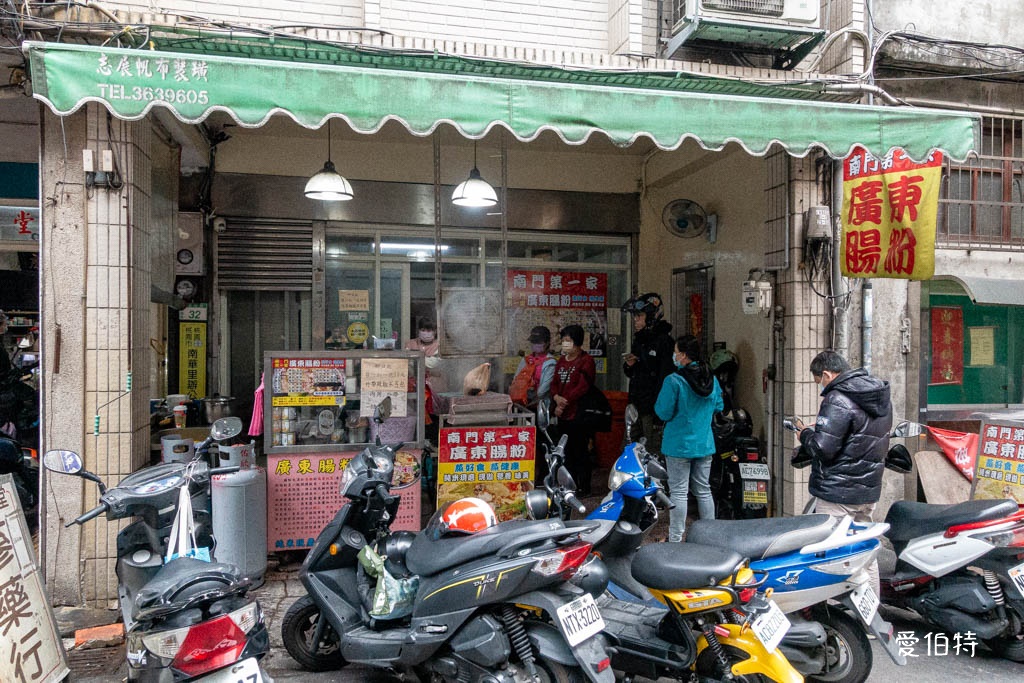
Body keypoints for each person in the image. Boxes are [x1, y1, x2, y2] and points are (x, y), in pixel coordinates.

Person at [794, 350, 891, 592]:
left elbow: (822, 448)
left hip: (838, 493)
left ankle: (840, 615)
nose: (821, 389)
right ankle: (870, 613)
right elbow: (858, 437)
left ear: (827, 374)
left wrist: (805, 433)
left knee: (835, 557)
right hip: (867, 492)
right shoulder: (879, 395)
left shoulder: (838, 398)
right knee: (865, 552)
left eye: (820, 382)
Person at [655, 335, 723, 543]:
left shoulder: (674, 381)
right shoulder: (711, 379)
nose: (674, 356)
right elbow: (719, 407)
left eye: (676, 352)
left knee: (679, 492)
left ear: (683, 355)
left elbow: (663, 412)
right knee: (703, 490)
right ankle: (710, 536)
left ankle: (676, 538)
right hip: (704, 444)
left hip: (678, 445)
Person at [621, 293, 675, 456]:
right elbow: (634, 372)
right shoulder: (639, 339)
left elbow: (665, 378)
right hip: (636, 404)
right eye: (635, 317)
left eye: (639, 316)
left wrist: (660, 412)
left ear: (652, 316)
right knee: (629, 448)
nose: (636, 320)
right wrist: (630, 365)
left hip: (653, 409)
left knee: (652, 452)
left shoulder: (665, 342)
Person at [550, 324, 597, 495]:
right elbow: (554, 383)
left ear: (577, 342)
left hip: (579, 414)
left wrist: (564, 402)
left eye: (568, 340)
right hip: (563, 414)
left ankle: (584, 486)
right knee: (566, 451)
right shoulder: (562, 361)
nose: (564, 344)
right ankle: (569, 484)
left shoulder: (586, 361)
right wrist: (556, 398)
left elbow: (583, 387)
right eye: (563, 340)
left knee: (580, 451)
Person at [510, 326, 557, 411]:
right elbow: (515, 380)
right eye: (533, 341)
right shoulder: (525, 360)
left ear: (547, 343)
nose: (535, 344)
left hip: (541, 407)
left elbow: (542, 391)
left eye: (538, 342)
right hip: (522, 404)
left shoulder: (551, 363)